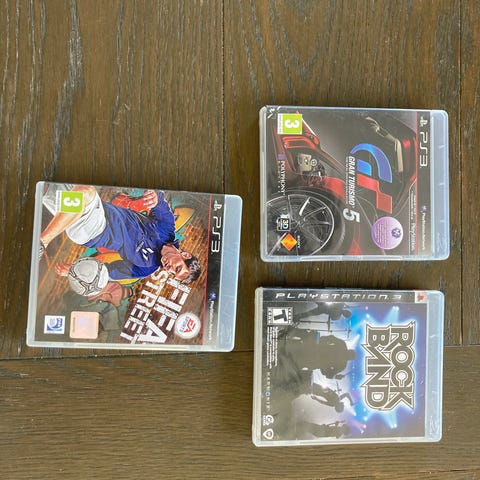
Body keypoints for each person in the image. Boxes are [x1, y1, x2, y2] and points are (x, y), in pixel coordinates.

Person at [39, 184, 201, 284]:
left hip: (94, 231)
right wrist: (154, 195)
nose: (170, 269)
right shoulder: (166, 228)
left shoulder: (147, 267)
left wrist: (76, 272)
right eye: (177, 268)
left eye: (173, 274)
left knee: (85, 192)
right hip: (93, 209)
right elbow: (159, 202)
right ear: (185, 255)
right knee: (48, 189)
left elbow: (107, 273)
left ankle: (42, 243)